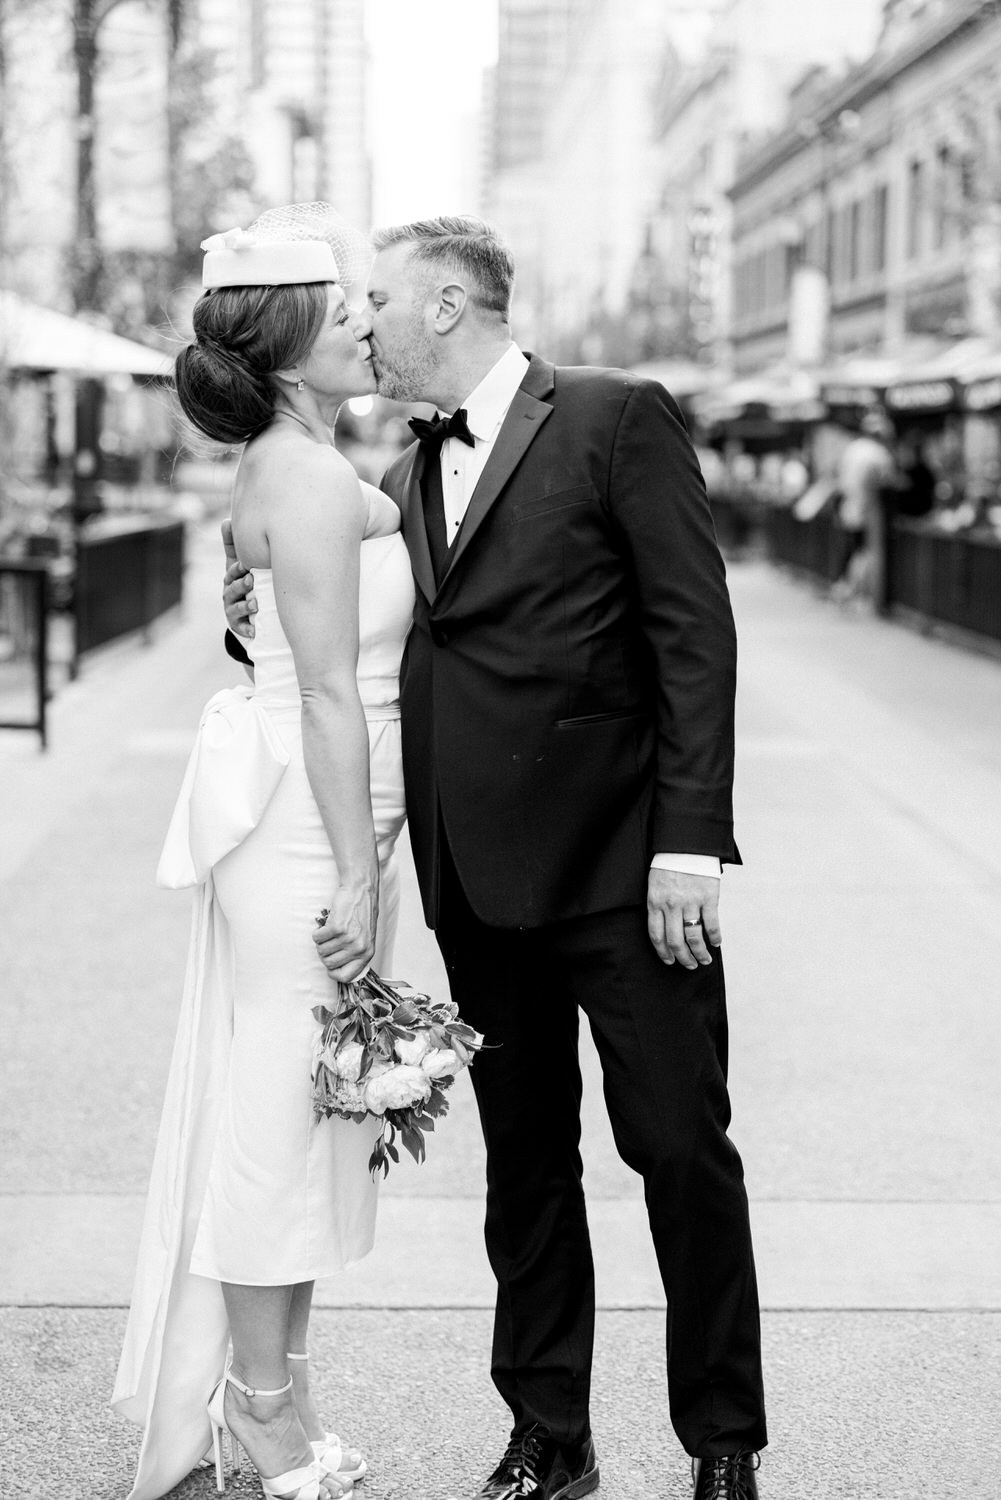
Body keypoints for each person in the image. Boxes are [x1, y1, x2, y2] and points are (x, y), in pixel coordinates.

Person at [226, 215, 767, 1500]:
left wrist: (690, 842)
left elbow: (694, 636)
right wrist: (248, 610)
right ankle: (546, 1437)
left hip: (627, 874)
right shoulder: (400, 470)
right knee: (524, 1170)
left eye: (380, 300)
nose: (363, 323)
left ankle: (724, 1446)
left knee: (680, 1156)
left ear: (453, 305)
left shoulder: (615, 416)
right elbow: (356, 633)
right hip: (480, 879)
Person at [113, 206, 413, 1500]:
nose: (365, 316)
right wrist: (353, 871)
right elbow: (332, 690)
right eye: (344, 302)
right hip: (311, 819)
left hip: (330, 810)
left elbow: (288, 643)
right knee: (277, 1112)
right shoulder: (296, 473)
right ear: (291, 337)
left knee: (302, 1105)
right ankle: (260, 1411)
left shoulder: (307, 460)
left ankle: (266, 1401)